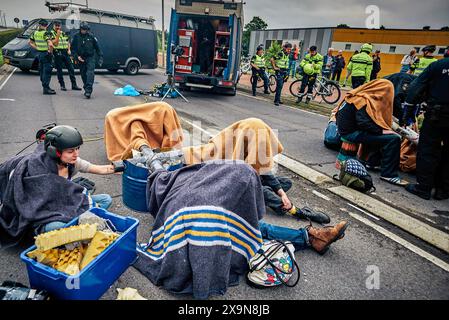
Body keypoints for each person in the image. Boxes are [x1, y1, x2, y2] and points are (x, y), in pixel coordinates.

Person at [38, 125, 115, 233]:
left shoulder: (72, 162)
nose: (76, 154)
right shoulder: (41, 170)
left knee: (106, 199)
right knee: (58, 225)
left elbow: (99, 169)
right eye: (70, 151)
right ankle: (79, 222)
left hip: (68, 201)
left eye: (77, 149)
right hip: (49, 212)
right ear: (54, 151)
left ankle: (78, 223)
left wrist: (122, 166)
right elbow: (38, 206)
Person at [335, 79, 408, 186]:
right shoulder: (363, 101)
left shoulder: (359, 96)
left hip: (347, 129)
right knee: (393, 139)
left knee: (382, 135)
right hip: (351, 133)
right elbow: (364, 123)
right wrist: (383, 130)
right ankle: (389, 174)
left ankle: (372, 163)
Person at [404, 47, 449, 200]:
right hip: (438, 113)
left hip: (437, 115)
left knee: (428, 149)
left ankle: (423, 187)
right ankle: (443, 189)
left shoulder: (438, 65)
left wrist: (409, 110)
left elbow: (416, 87)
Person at [260, 172, 330, 224]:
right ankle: (298, 212)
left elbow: (267, 174)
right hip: (250, 188)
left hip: (259, 181)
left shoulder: (259, 155)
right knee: (262, 190)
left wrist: (282, 194)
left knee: (286, 182)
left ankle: (270, 199)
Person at [71, 22, 103, 99]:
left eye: (86, 30)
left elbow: (97, 48)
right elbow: (73, 49)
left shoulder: (91, 37)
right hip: (81, 58)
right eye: (83, 29)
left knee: (90, 73)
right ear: (80, 29)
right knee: (83, 74)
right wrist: (77, 57)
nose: (84, 31)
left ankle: (88, 91)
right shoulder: (76, 36)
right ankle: (86, 88)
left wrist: (100, 57)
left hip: (90, 58)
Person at [51, 20, 81, 91]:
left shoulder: (62, 33)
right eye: (56, 25)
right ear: (53, 26)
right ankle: (62, 85)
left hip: (65, 52)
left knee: (71, 68)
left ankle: (74, 85)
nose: (58, 27)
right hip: (57, 52)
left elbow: (67, 41)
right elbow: (54, 43)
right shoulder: (51, 33)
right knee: (59, 70)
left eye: (59, 26)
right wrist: (57, 35)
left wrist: (69, 49)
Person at [29, 19, 55, 95]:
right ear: (46, 26)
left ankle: (46, 86)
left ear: (39, 25)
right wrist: (50, 52)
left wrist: (37, 48)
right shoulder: (46, 33)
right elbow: (50, 44)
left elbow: (30, 42)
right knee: (47, 71)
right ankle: (46, 89)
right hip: (46, 54)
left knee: (42, 70)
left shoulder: (35, 33)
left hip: (39, 54)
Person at [271, 42, 292, 106]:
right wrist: (274, 67)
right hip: (279, 71)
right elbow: (272, 59)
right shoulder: (280, 53)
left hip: (285, 71)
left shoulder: (287, 54)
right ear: (284, 48)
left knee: (281, 86)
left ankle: (278, 99)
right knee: (279, 85)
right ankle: (276, 100)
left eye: (290, 49)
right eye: (288, 49)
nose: (289, 50)